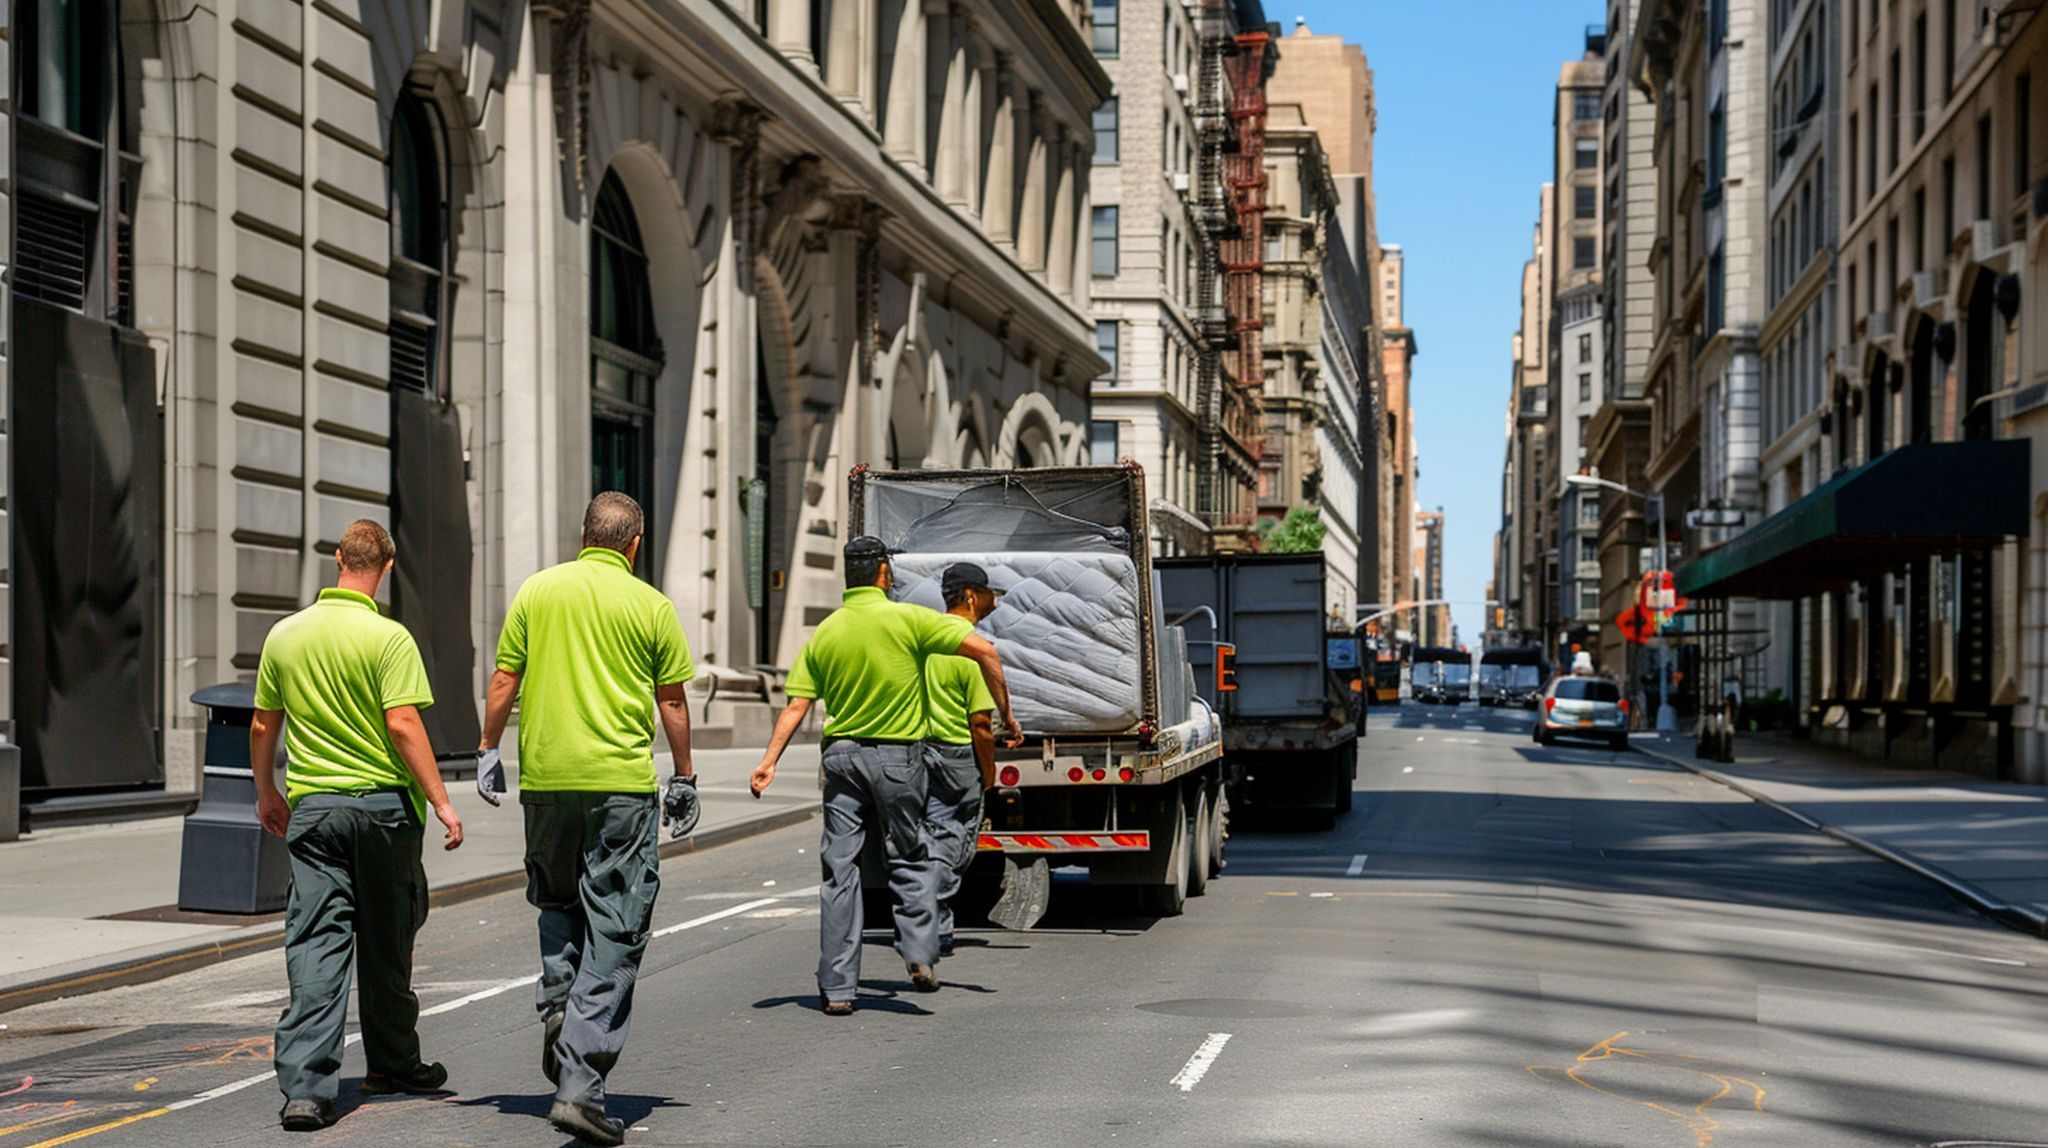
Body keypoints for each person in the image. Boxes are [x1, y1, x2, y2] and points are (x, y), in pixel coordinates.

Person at [478, 492, 696, 1147]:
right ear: (635, 542)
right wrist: (684, 775)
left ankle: (557, 1007)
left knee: (556, 900)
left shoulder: (536, 592)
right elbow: (673, 701)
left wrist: (488, 750)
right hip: (619, 789)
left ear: (584, 536)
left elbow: (502, 682)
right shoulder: (651, 605)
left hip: (545, 782)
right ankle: (580, 1088)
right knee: (617, 927)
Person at [251, 519, 464, 1132]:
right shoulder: (389, 638)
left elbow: (265, 724)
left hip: (314, 811)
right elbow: (402, 724)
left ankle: (306, 1090)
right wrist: (442, 801)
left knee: (317, 943)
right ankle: (393, 1063)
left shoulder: (285, 636)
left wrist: (267, 790)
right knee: (388, 940)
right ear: (388, 565)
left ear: (338, 558)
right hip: (383, 813)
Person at [749, 537, 1020, 1017]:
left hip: (840, 760)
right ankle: (918, 953)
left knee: (839, 872)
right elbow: (987, 655)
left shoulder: (826, 631)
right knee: (910, 854)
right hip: (896, 758)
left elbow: (797, 705)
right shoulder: (908, 619)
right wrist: (1009, 717)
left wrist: (769, 761)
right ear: (883, 574)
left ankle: (836, 989)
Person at [920, 563, 1003, 956]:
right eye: (990, 593)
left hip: (916, 754)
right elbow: (981, 724)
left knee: (924, 840)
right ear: (971, 596)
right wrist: (989, 774)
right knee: (951, 844)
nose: (994, 600)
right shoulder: (969, 650)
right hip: (956, 755)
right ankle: (933, 927)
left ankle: (929, 923)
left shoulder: (920, 643)